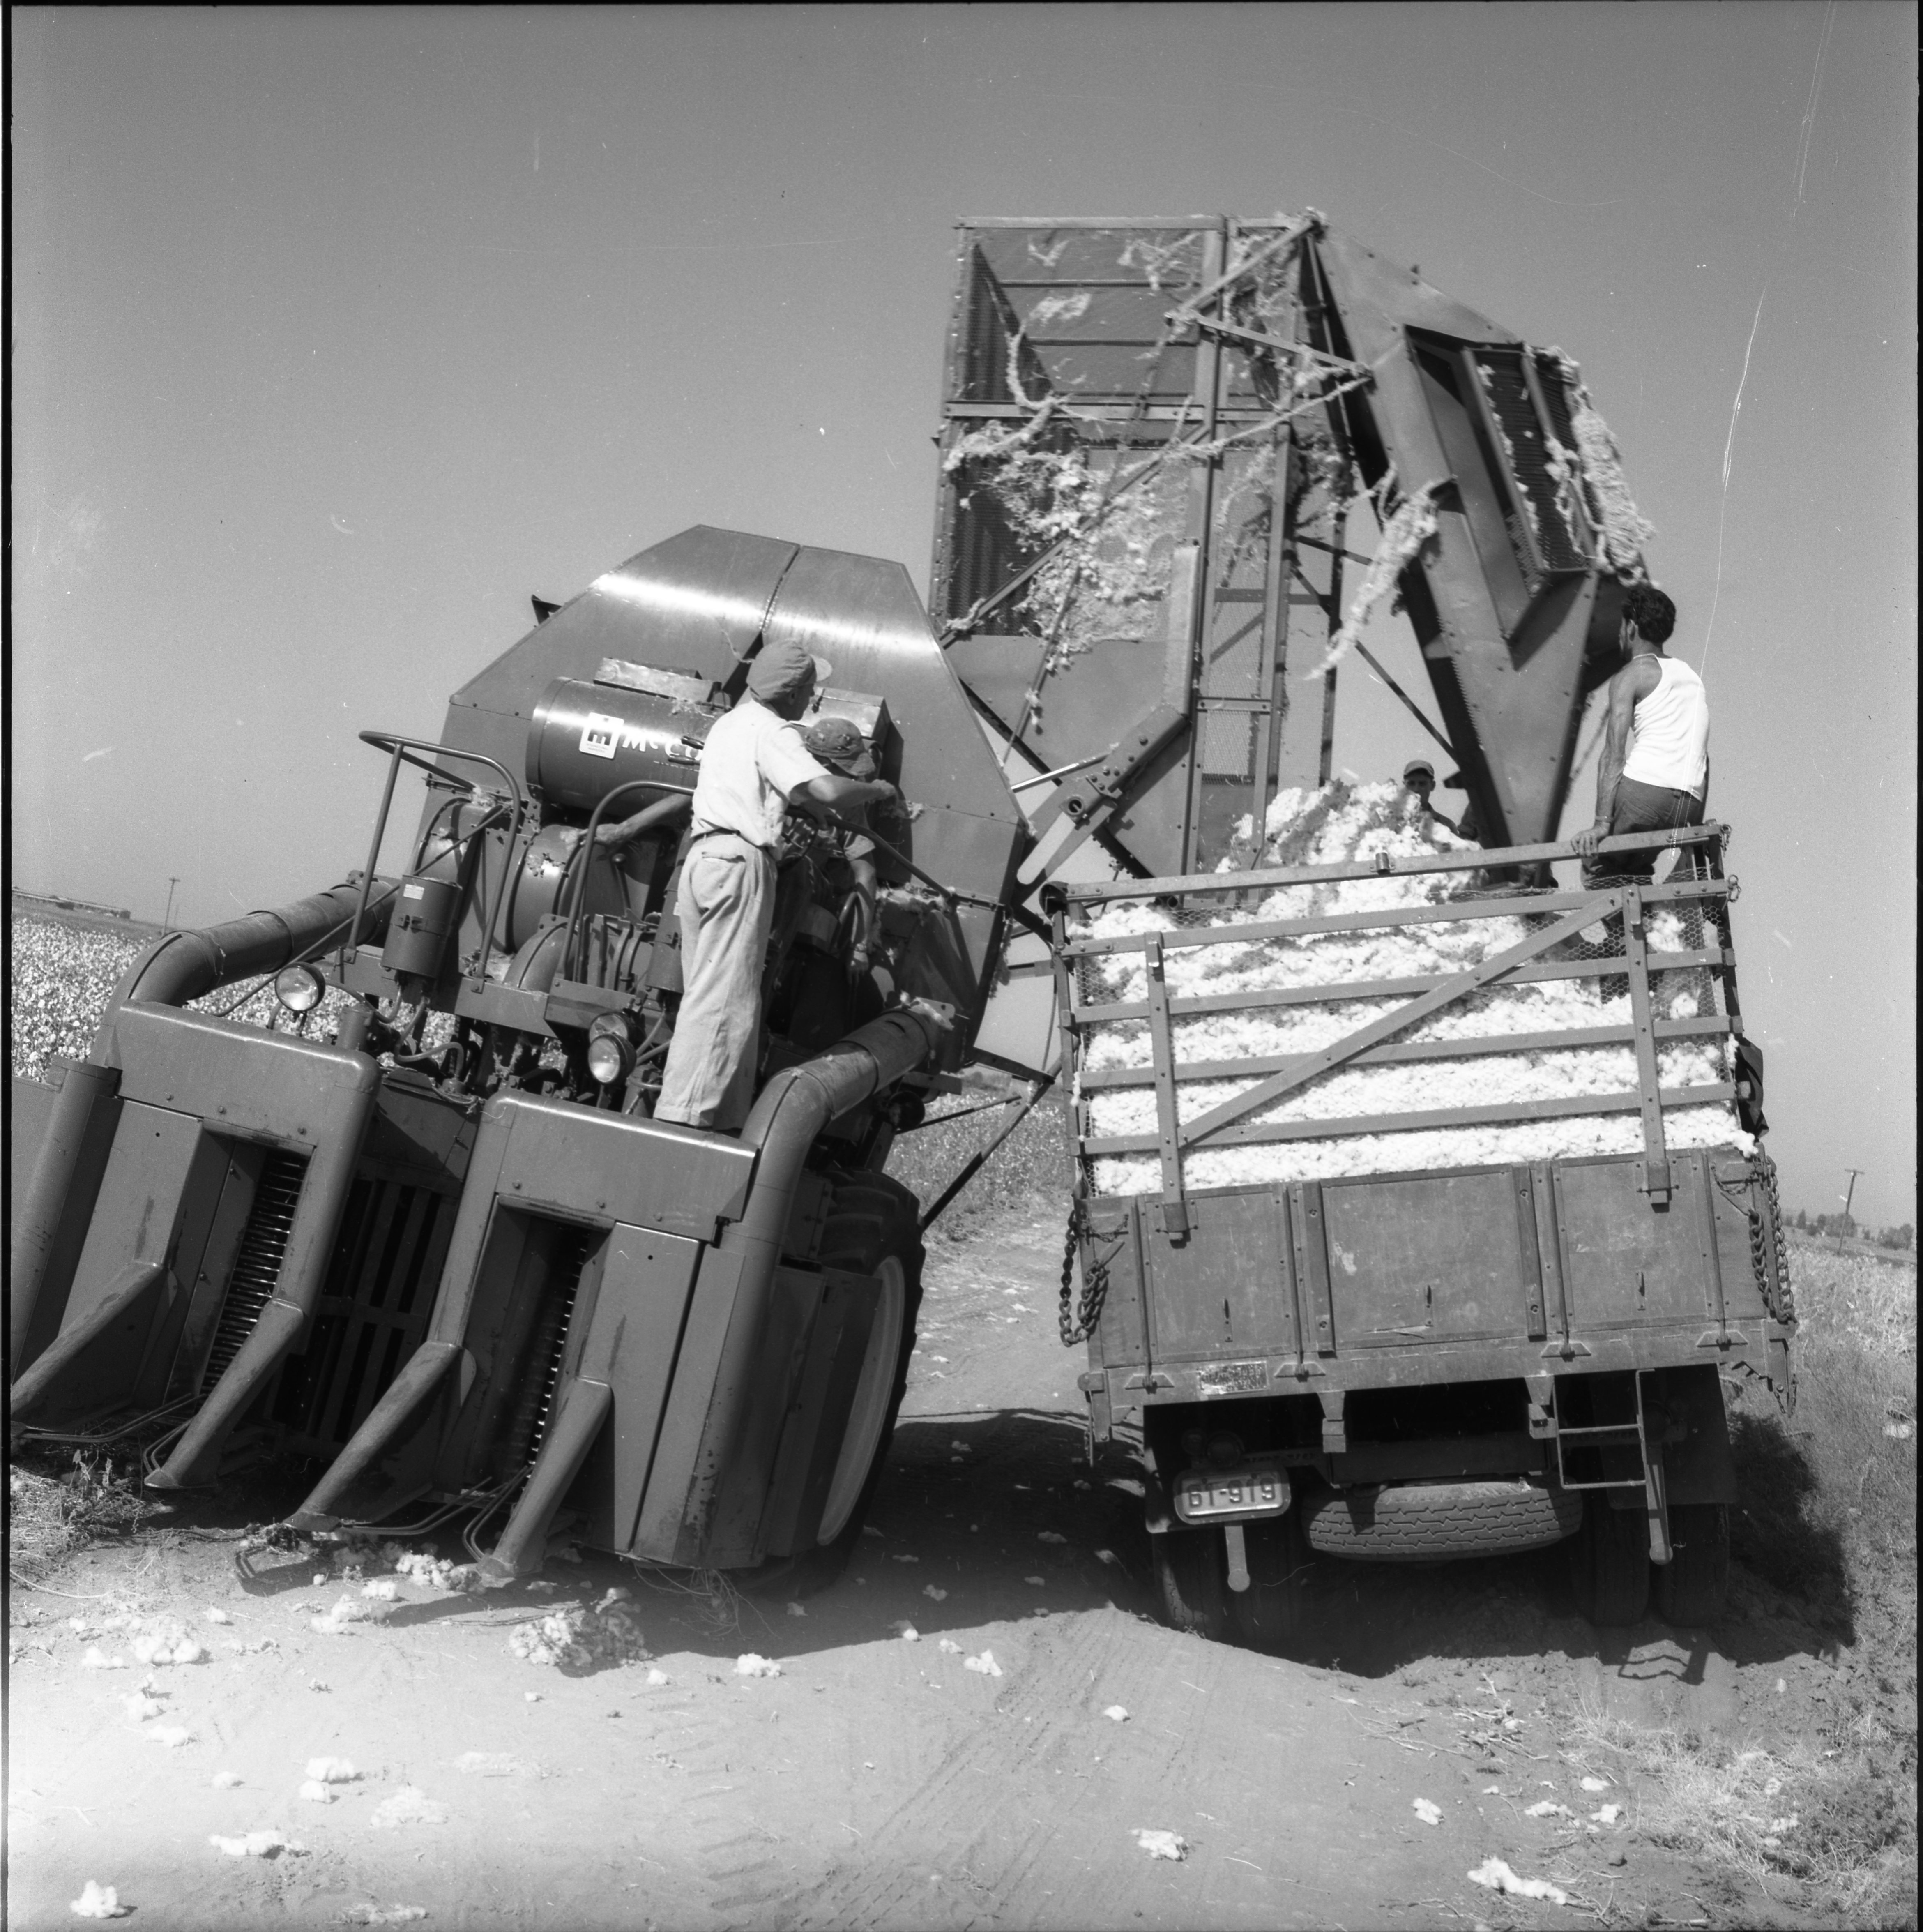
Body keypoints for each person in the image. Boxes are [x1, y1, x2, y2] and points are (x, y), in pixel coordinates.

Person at [651, 636, 897, 1131]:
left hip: (702, 860)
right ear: (790, 691)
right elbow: (824, 787)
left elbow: (789, 796)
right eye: (809, 689)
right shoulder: (775, 732)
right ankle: (682, 1122)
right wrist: (875, 789)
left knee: (720, 994)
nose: (811, 698)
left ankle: (721, 1119)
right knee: (725, 999)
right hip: (740, 864)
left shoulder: (728, 725)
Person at [1571, 583, 1709, 884]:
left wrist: (1600, 824)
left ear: (1631, 627)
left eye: (1622, 626)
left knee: (1596, 866)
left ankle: (1625, 932)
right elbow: (1701, 753)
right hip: (1689, 801)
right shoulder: (1690, 677)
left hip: (1646, 794)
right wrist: (1694, 824)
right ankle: (1638, 929)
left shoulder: (1630, 675)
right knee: (1633, 870)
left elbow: (1613, 754)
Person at [801, 714, 915, 981]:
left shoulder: (848, 806)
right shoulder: (780, 775)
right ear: (825, 764)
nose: (856, 777)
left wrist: (860, 947)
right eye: (847, 770)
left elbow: (865, 874)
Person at [1402, 757, 1474, 840]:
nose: (1416, 789)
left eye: (1422, 784)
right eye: (1411, 783)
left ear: (1432, 786)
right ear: (1404, 786)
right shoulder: (1391, 822)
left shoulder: (1447, 826)